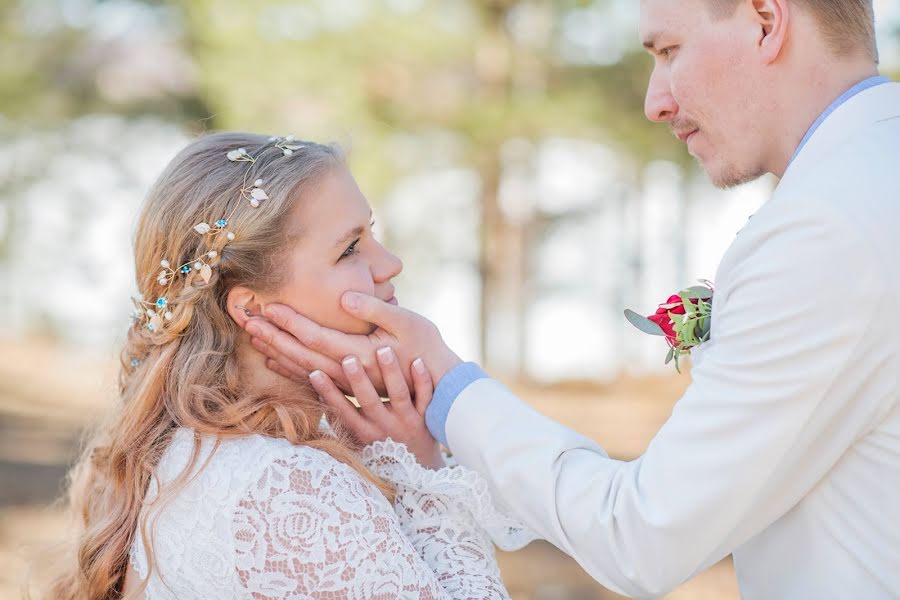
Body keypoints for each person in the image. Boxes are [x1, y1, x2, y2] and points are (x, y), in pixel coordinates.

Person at [244, 1, 900, 597]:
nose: (655, 102)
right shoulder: (871, 179)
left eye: (668, 51)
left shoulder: (825, 230)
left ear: (764, 18)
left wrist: (446, 382)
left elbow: (643, 536)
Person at [47, 132, 532, 600]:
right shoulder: (290, 486)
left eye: (372, 233)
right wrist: (424, 477)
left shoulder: (196, 450)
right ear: (252, 309)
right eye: (349, 248)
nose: (390, 264)